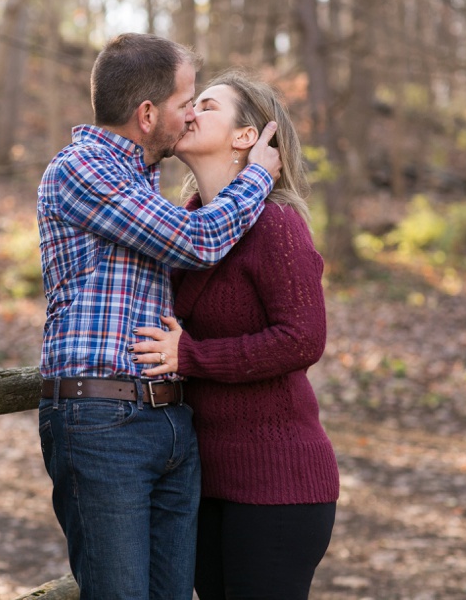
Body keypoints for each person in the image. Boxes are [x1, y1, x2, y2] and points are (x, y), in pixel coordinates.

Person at [36, 34, 282, 600]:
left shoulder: (142, 178)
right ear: (147, 114)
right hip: (102, 422)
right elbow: (197, 242)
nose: (192, 111)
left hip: (167, 421)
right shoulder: (83, 168)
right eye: (185, 100)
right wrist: (258, 176)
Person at [130, 70, 339, 600]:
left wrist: (192, 356)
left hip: (278, 482)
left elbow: (302, 340)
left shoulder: (276, 225)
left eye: (208, 105)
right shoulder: (186, 229)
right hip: (202, 481)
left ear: (247, 136)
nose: (190, 112)